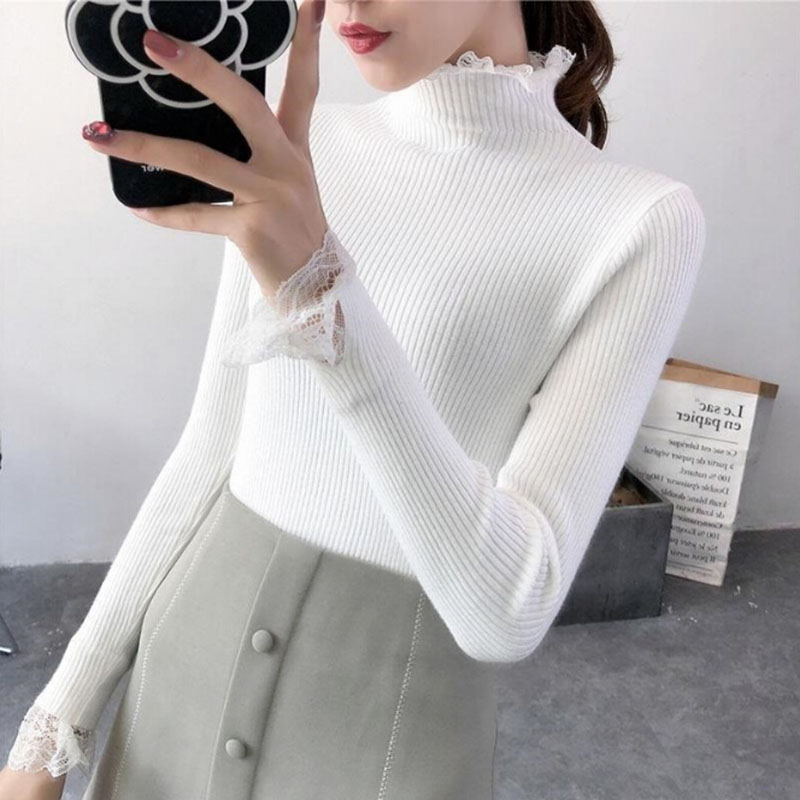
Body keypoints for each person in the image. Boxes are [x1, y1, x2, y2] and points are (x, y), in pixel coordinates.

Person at [1, 0, 707, 798]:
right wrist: (53, 725)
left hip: (393, 734)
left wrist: (321, 297)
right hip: (179, 683)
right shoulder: (302, 149)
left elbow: (509, 610)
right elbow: (209, 452)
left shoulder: (640, 221)